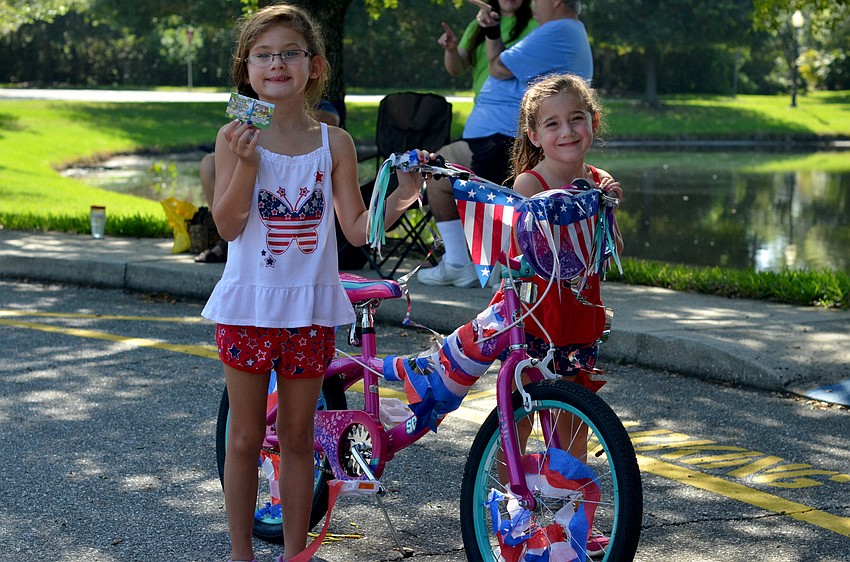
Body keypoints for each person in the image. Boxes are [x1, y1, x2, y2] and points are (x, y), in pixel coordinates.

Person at [199, 5, 431, 562]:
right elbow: (228, 226)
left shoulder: (337, 144)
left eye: (289, 53)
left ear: (314, 66)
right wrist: (247, 166)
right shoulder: (234, 137)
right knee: (245, 439)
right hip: (249, 307)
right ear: (246, 69)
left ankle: (294, 554)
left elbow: (354, 227)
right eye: (264, 55)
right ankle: (241, 554)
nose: (277, 63)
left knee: (300, 440)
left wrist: (400, 194)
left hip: (308, 312)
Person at [419, 0, 592, 287]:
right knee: (441, 170)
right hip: (491, 135)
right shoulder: (559, 29)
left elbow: (499, 67)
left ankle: (462, 262)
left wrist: (492, 34)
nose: (534, 3)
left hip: (502, 138)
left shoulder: (553, 29)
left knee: (440, 169)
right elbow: (465, 64)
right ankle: (463, 261)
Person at [194, 101, 340, 263]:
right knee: (208, 163)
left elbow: (332, 118)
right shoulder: (244, 109)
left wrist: (285, 119)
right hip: (248, 223)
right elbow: (227, 228)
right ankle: (227, 242)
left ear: (314, 73)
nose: (277, 74)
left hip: (306, 209)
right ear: (246, 75)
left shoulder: (333, 134)